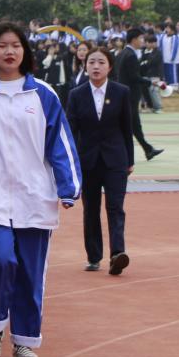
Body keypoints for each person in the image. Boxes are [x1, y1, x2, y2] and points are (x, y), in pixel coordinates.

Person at [0, 22, 80, 357]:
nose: (9, 52)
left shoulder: (43, 94)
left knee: (29, 271)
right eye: (2, 46)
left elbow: (60, 143)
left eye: (15, 45)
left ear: (25, 52)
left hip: (34, 196)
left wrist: (69, 185)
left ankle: (24, 337)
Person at [65, 47, 134, 274]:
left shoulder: (122, 92)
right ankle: (94, 256)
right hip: (88, 161)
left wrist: (130, 160)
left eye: (101, 62)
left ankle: (117, 254)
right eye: (92, 62)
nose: (96, 66)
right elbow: (70, 131)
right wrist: (71, 161)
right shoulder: (76, 94)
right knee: (91, 209)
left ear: (109, 66)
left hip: (115, 160)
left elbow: (128, 128)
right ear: (85, 66)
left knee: (115, 208)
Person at [114, 28, 164, 161]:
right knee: (130, 125)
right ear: (134, 39)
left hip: (123, 94)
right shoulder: (130, 55)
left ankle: (148, 150)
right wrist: (150, 82)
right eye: (141, 38)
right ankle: (136, 152)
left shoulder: (122, 53)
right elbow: (134, 77)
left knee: (133, 125)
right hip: (130, 95)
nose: (142, 41)